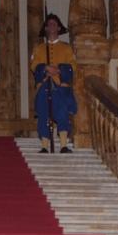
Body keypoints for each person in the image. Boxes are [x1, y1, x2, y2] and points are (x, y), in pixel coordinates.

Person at [30, 13, 77, 153]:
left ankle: (63, 144)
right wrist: (45, 68)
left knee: (62, 112)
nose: (51, 27)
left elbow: (73, 65)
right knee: (44, 113)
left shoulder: (66, 48)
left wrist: (59, 70)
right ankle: (44, 145)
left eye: (54, 24)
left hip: (60, 85)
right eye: (49, 24)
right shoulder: (38, 49)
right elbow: (33, 65)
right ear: (45, 28)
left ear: (58, 28)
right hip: (45, 85)